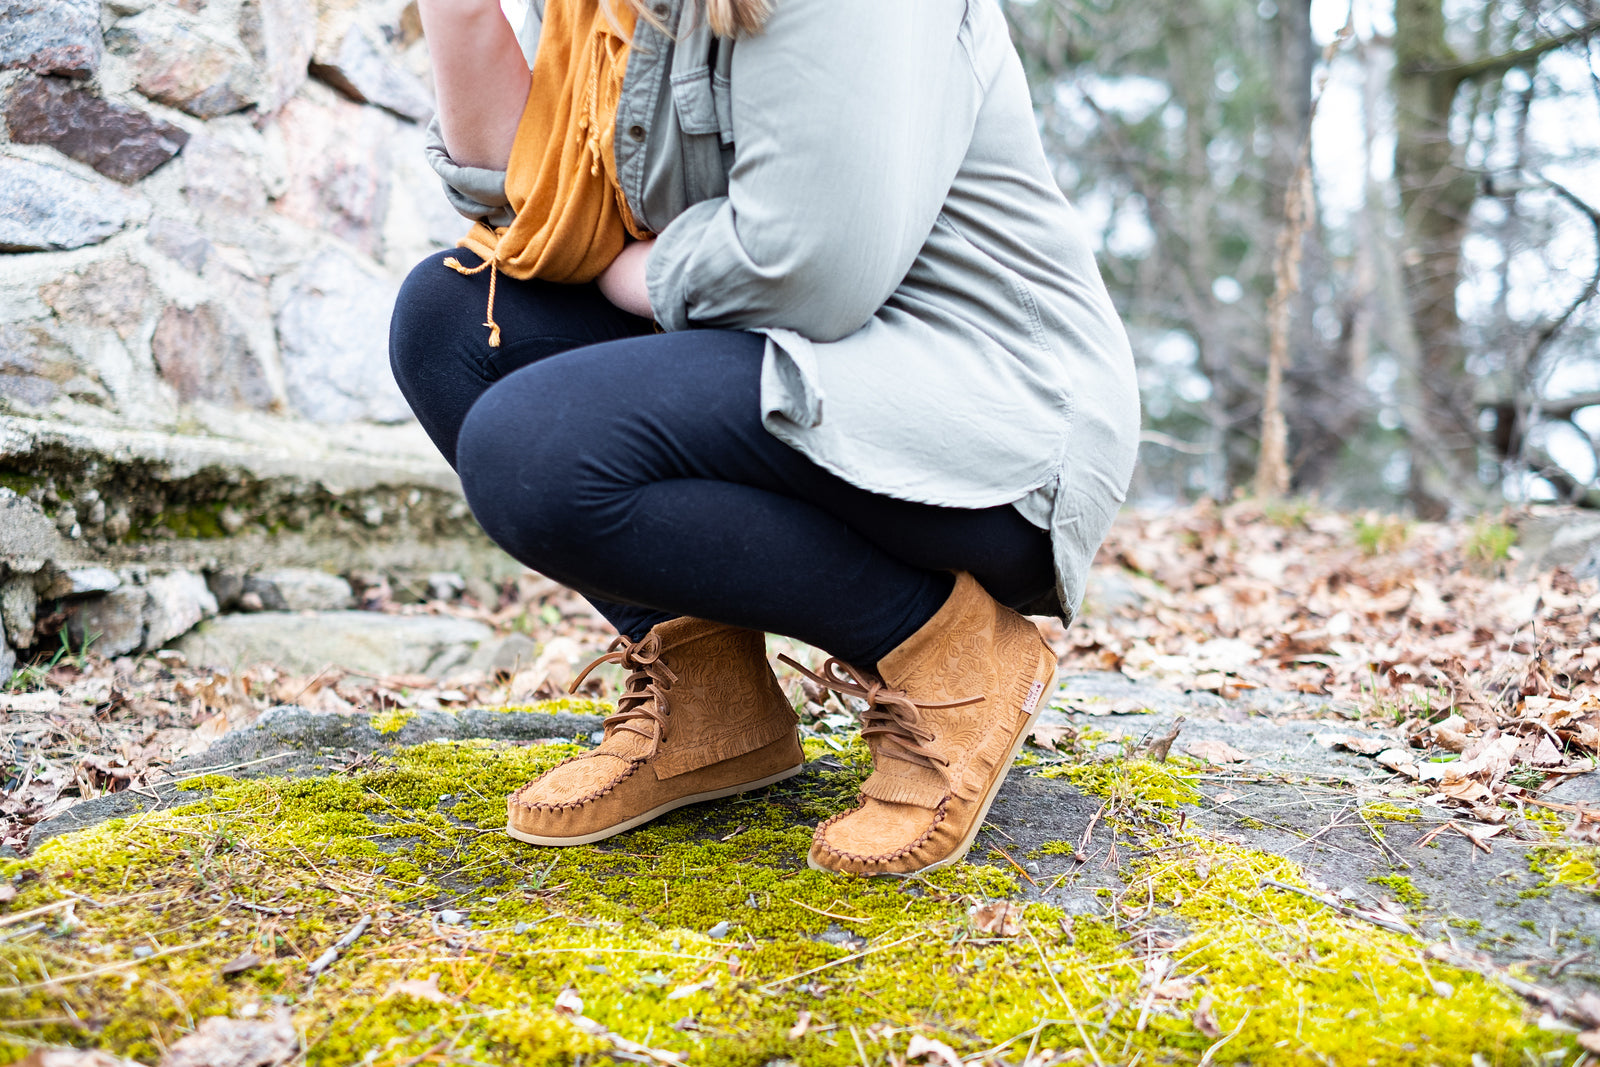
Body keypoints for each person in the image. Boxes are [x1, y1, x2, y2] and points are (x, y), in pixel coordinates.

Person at [390, 0, 1140, 876]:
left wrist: (617, 265)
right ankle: (712, 699)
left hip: (986, 408)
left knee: (535, 453)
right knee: (450, 322)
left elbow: (804, 267)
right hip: (802, 358)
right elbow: (531, 206)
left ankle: (947, 655)